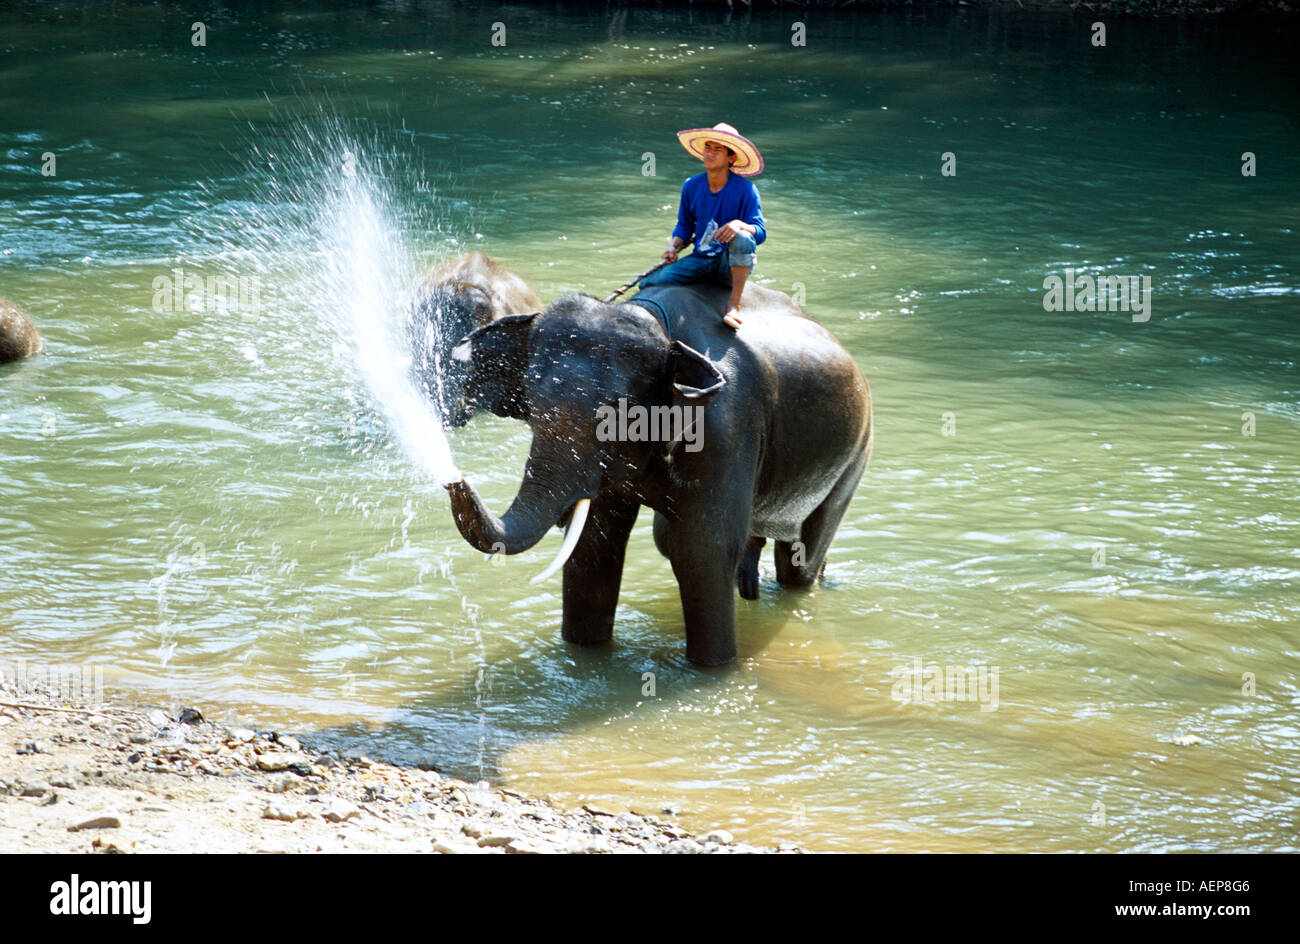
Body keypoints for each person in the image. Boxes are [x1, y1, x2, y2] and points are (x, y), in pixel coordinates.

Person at [639, 122, 766, 330]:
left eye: (718, 150)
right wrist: (674, 246)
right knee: (649, 283)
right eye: (708, 148)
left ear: (731, 158)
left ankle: (733, 304)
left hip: (727, 263)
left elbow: (760, 232)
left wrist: (739, 225)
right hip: (701, 259)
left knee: (743, 237)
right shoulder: (691, 185)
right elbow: (684, 224)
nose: (710, 153)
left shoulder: (746, 189)